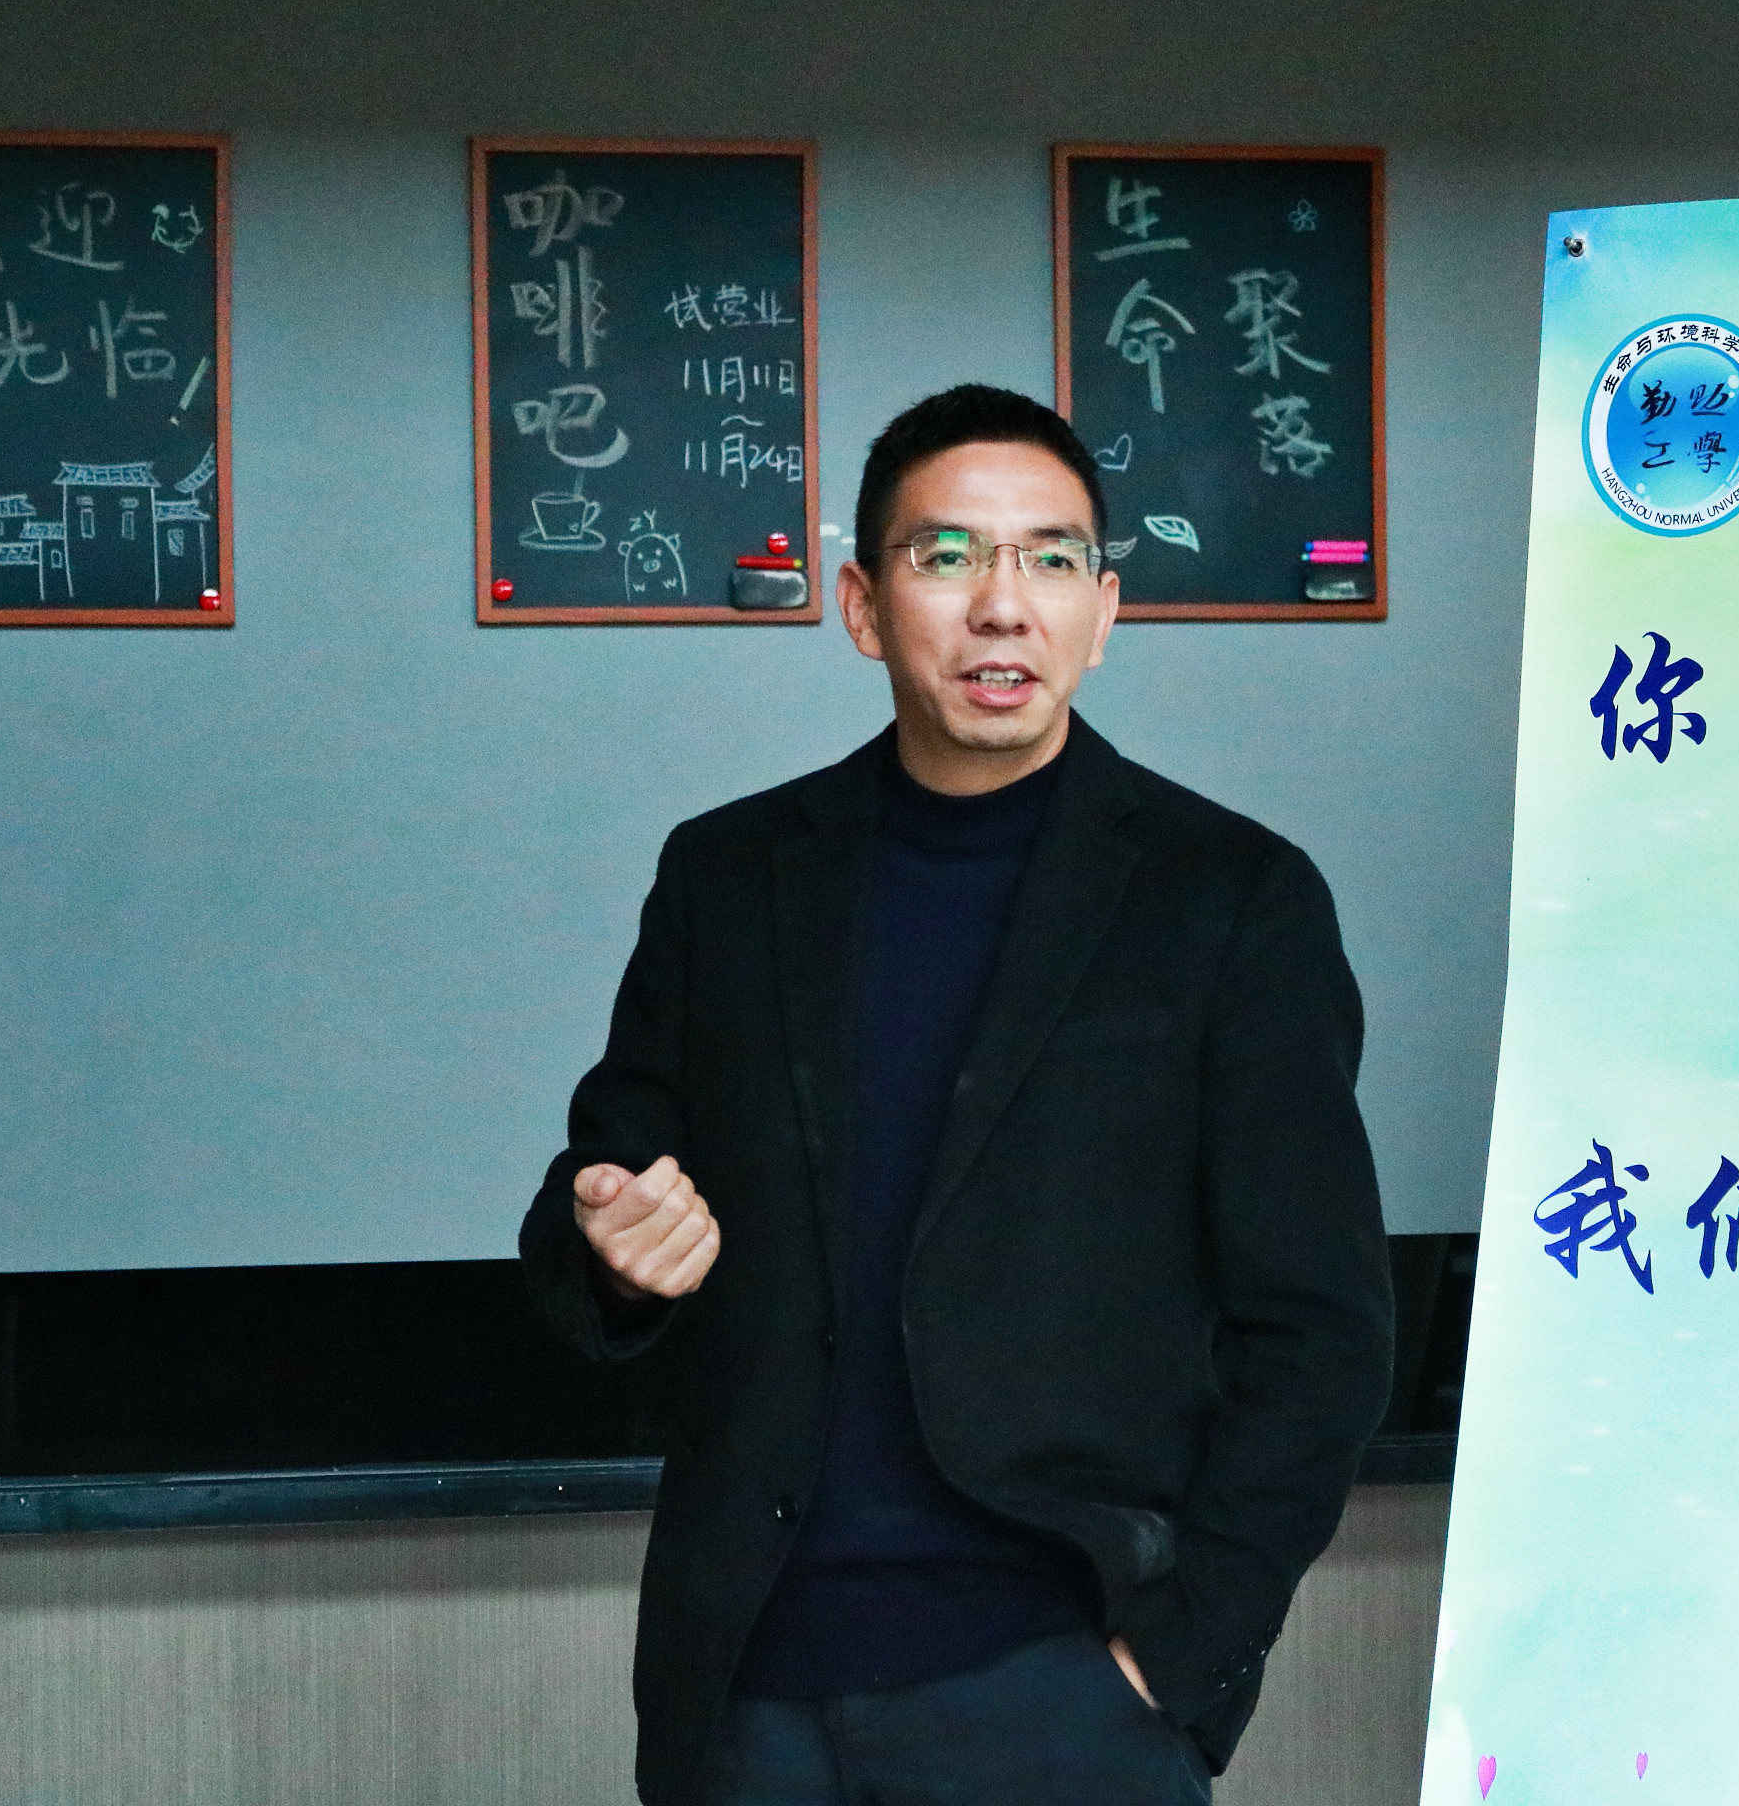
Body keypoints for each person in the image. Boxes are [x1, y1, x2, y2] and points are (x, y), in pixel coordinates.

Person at [519, 383, 1395, 1806]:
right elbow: (592, 1206)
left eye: (1051, 559)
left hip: (1059, 1691)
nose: (1002, 605)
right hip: (749, 1687)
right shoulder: (730, 877)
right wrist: (616, 1253)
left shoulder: (1230, 900)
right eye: (948, 556)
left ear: (1103, 613)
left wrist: (1176, 1663)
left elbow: (1323, 1330)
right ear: (864, 607)